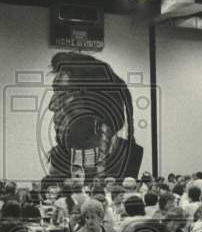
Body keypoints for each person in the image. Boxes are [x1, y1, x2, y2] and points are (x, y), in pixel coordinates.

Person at [43, 52, 144, 183]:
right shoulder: (59, 160)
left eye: (65, 93)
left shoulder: (127, 155)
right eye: (56, 92)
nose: (52, 106)